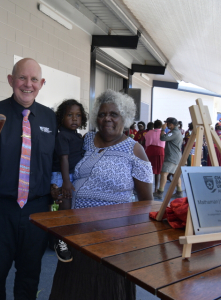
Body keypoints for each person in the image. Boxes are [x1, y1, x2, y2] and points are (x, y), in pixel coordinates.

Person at [49, 89, 153, 300]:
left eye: (113, 114)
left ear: (125, 117)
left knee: (107, 288)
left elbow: (146, 200)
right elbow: (68, 170)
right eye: (102, 114)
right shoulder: (85, 140)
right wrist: (57, 188)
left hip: (113, 237)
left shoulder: (135, 150)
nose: (107, 118)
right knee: (73, 287)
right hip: (76, 233)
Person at [0, 58, 56, 300]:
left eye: (34, 79)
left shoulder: (50, 118)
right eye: (22, 78)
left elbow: (56, 162)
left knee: (30, 274)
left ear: (42, 83)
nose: (28, 84)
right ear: (10, 81)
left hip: (37, 211)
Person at [51, 99, 88, 263]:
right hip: (62, 176)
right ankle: (60, 241)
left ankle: (68, 237)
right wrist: (66, 182)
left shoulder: (76, 136)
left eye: (78, 116)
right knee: (64, 210)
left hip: (71, 176)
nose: (75, 119)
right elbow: (63, 160)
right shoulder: (63, 136)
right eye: (70, 115)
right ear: (61, 118)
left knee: (70, 210)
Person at [153, 117, 183, 199]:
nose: (166, 125)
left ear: (171, 124)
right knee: (175, 174)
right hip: (176, 157)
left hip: (171, 157)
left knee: (164, 173)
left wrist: (163, 129)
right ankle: (179, 192)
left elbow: (163, 138)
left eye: (167, 124)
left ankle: (160, 192)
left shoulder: (174, 132)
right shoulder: (177, 132)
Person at [144, 120, 165, 192]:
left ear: (154, 125)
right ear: (160, 126)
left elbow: (145, 142)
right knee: (158, 171)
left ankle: (148, 187)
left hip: (150, 150)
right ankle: (156, 188)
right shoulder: (163, 133)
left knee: (149, 169)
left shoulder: (148, 133)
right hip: (160, 151)